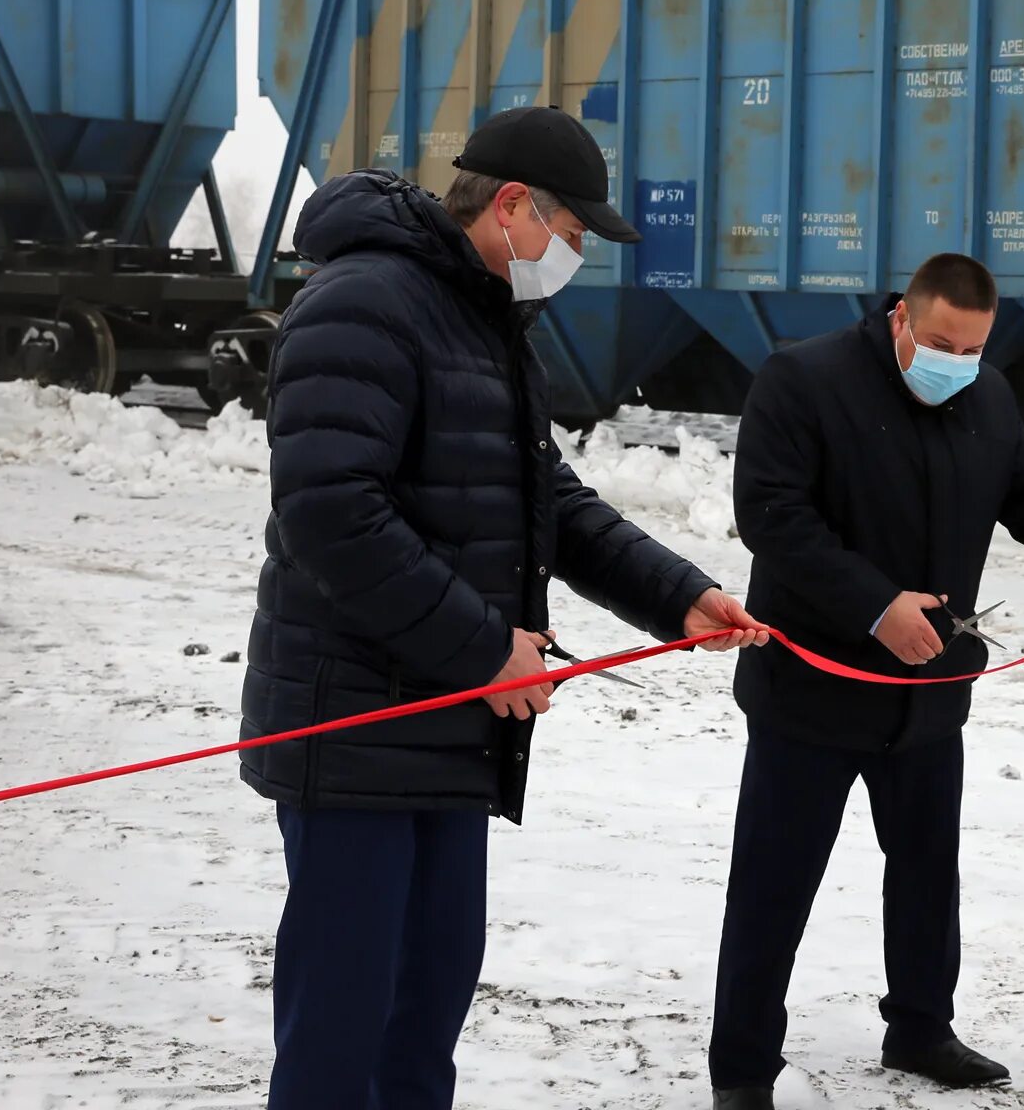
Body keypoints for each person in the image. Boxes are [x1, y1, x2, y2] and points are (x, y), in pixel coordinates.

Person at [239, 105, 767, 1110]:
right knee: (340, 1034)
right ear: (514, 205)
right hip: (356, 726)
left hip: (445, 724)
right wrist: (486, 648)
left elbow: (543, 500)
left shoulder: (478, 317)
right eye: (571, 235)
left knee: (422, 1019)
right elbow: (330, 512)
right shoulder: (365, 302)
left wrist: (679, 595)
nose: (572, 257)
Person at [707, 254, 1024, 1109]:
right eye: (942, 342)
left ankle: (920, 1029)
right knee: (774, 883)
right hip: (814, 691)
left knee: (925, 873)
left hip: (930, 696)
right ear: (902, 317)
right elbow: (771, 513)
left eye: (974, 349)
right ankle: (744, 1068)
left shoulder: (986, 396)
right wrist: (875, 606)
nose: (957, 362)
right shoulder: (804, 379)